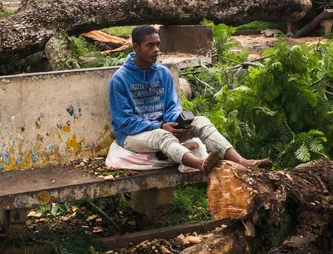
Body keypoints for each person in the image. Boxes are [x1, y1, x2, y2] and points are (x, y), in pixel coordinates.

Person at [108, 25, 272, 173]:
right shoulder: (120, 79)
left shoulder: (163, 73)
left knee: (201, 122)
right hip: (132, 136)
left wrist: (178, 123)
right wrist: (161, 126)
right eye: (150, 45)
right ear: (135, 47)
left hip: (164, 129)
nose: (156, 49)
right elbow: (125, 121)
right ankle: (201, 164)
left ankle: (242, 162)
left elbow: (172, 106)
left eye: (158, 44)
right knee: (162, 136)